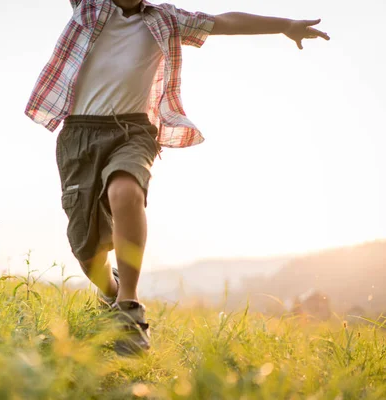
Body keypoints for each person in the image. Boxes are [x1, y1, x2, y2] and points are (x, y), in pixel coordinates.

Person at [24, 0, 329, 355]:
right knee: (86, 248)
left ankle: (128, 308)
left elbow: (224, 22)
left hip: (133, 130)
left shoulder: (165, 19)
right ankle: (109, 291)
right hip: (79, 135)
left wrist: (284, 24)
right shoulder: (89, 6)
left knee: (125, 191)